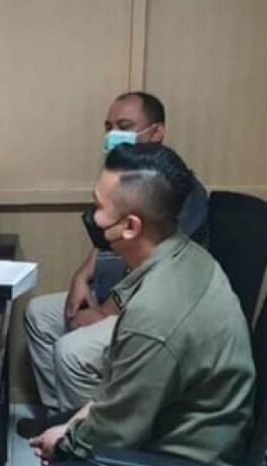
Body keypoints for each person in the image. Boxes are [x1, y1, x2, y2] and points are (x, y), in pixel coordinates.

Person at [0, 143, 254, 466]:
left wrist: (65, 443)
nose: (91, 217)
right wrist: (74, 423)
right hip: (165, 436)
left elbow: (113, 435)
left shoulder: (157, 315)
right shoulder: (183, 256)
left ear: (130, 227)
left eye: (98, 207)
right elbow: (123, 392)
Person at [22, 92, 209, 430]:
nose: (112, 136)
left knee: (72, 351)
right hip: (123, 291)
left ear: (156, 132)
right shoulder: (127, 179)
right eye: (108, 127)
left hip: (158, 308)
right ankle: (58, 416)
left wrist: (105, 312)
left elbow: (158, 270)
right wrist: (82, 276)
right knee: (39, 314)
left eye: (124, 127)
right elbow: (115, 239)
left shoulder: (173, 191)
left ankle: (87, 439)